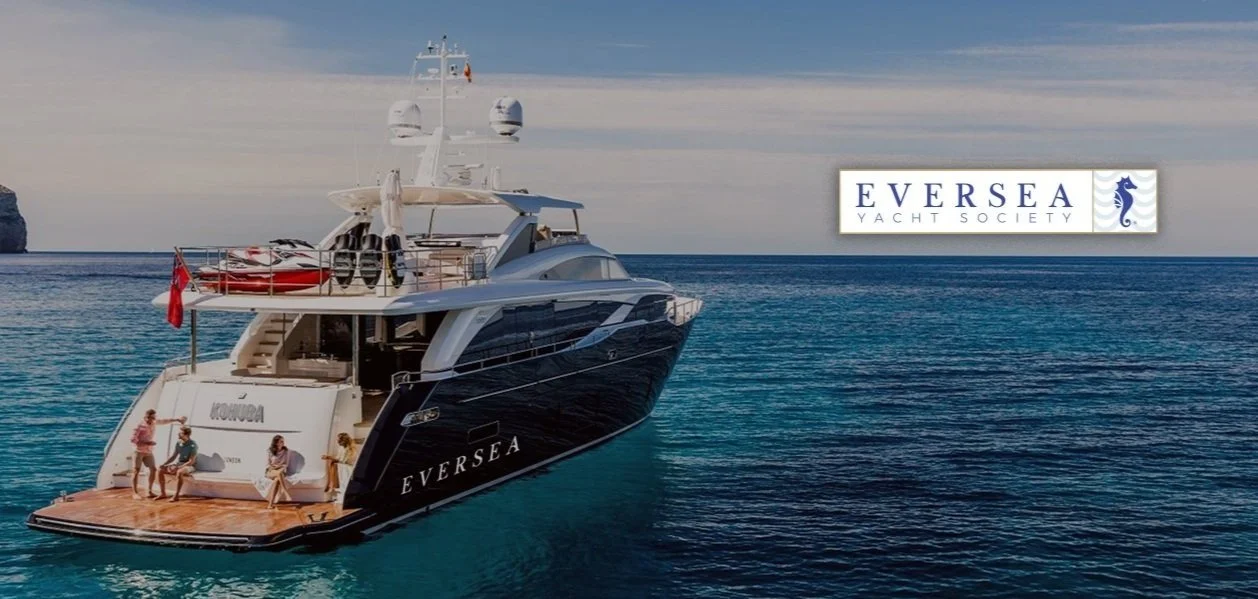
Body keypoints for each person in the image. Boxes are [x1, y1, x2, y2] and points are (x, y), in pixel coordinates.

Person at [130, 409, 186, 500]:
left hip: (148, 451)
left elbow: (164, 421)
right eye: (152, 418)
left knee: (153, 469)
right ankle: (135, 493)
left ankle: (149, 491)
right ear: (146, 417)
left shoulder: (154, 422)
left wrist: (177, 420)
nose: (153, 419)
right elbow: (133, 440)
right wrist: (147, 443)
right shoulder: (139, 426)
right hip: (138, 451)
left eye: (154, 417)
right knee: (136, 470)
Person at [158, 426, 197, 502]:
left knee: (179, 472)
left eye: (180, 432)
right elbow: (173, 456)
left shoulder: (193, 445)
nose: (178, 434)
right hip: (179, 464)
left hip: (189, 466)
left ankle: (176, 496)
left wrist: (178, 467)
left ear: (186, 434)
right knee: (160, 470)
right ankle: (163, 493)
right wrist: (164, 464)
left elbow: (191, 461)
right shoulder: (178, 443)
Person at [321, 433, 357, 500]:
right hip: (343, 465)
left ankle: (331, 485)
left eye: (339, 440)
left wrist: (329, 457)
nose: (337, 441)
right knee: (332, 463)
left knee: (333, 463)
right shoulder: (341, 448)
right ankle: (330, 484)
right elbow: (338, 458)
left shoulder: (349, 449)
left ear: (344, 440)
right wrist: (330, 458)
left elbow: (343, 461)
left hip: (349, 466)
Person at [264, 434, 293, 509]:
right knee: (278, 474)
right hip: (271, 471)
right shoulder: (269, 451)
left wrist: (279, 467)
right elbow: (268, 464)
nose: (283, 443)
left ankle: (270, 504)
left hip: (281, 471)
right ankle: (286, 493)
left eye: (283, 441)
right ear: (276, 443)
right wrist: (276, 467)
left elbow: (286, 464)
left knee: (277, 480)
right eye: (281, 441)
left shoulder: (286, 451)